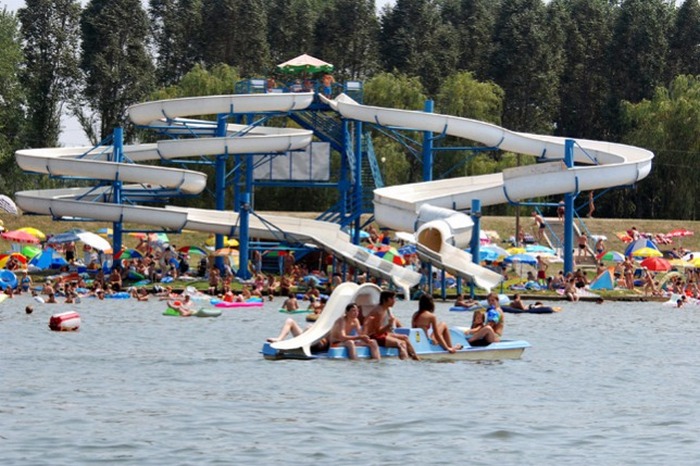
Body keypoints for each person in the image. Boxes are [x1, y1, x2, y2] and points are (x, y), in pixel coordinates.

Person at [363, 290, 419, 360]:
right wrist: (389, 325)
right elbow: (377, 332)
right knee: (401, 343)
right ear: (385, 300)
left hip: (380, 334)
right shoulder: (378, 312)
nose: (394, 301)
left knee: (405, 337)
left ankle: (416, 358)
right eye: (392, 299)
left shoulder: (385, 309)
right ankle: (405, 363)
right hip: (373, 336)